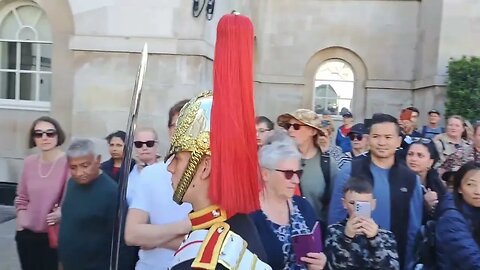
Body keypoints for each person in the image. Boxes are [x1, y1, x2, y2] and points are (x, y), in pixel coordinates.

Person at [166, 13, 270, 269]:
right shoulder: (240, 224)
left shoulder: (208, 259)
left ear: (205, 167)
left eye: (178, 158)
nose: (169, 167)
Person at [328, 113, 423, 270]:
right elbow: (335, 219)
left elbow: (413, 230)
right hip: (352, 260)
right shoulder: (349, 171)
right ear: (368, 139)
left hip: (391, 260)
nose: (381, 142)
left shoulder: (410, 179)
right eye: (376, 136)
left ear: (398, 141)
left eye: (388, 137)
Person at [125, 101, 192, 270]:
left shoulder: (210, 177)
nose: (184, 131)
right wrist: (182, 227)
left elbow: (209, 244)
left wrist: (153, 238)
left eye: (190, 124)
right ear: (170, 131)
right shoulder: (150, 174)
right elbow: (132, 234)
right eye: (178, 125)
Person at [250, 130, 327, 269]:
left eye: (298, 173)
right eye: (288, 174)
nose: (296, 180)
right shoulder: (250, 217)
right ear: (266, 174)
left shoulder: (303, 207)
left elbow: (318, 249)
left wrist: (321, 262)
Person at [15, 116, 69, 270]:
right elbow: (22, 197)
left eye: (50, 133)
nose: (44, 138)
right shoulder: (29, 162)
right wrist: (21, 221)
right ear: (34, 138)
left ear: (58, 135)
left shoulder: (68, 162)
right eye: (39, 134)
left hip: (53, 235)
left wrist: (61, 212)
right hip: (27, 234)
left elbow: (70, 198)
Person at [58, 139, 118, 270]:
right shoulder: (71, 183)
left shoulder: (111, 192)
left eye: (85, 166)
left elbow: (119, 242)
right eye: (73, 168)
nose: (79, 173)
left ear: (98, 160)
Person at [277, 109, 340, 222]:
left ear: (312, 131)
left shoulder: (327, 164)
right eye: (288, 126)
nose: (290, 130)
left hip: (316, 232)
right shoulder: (281, 161)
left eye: (296, 126)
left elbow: (335, 204)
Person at [325, 177, 399, 270]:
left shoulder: (386, 236)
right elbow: (332, 266)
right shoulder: (334, 231)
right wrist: (346, 238)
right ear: (344, 203)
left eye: (363, 204)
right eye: (352, 203)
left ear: (373, 204)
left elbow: (392, 267)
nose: (357, 208)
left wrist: (374, 240)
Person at [435, 161, 480, 269]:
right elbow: (472, 261)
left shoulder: (475, 209)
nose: (478, 191)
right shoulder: (451, 218)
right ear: (459, 188)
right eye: (470, 184)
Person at [405, 139, 447, 223]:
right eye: (410, 154)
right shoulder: (399, 181)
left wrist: (432, 207)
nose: (413, 159)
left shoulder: (437, 185)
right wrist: (424, 204)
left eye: (420, 155)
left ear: (430, 162)